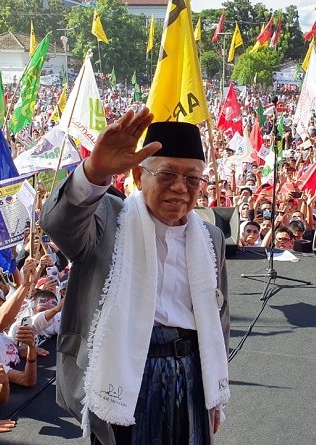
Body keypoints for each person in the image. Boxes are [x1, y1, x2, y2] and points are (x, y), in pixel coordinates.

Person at [41, 109, 230, 444]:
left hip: (190, 376)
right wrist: (94, 172)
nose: (180, 188)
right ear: (139, 175)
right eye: (167, 174)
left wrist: (216, 390)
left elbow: (219, 318)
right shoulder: (107, 219)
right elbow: (59, 224)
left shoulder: (209, 237)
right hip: (127, 375)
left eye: (192, 179)